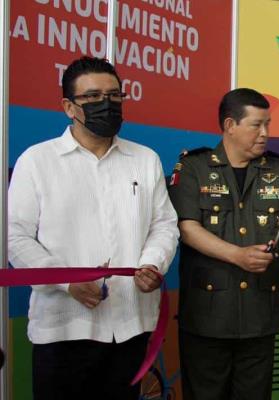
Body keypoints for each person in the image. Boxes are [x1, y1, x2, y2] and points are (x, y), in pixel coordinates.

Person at [7, 56, 179, 399]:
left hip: (130, 326)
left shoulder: (145, 160)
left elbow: (164, 224)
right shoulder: (37, 161)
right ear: (69, 107)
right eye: (94, 97)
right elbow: (15, 236)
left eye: (115, 96)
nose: (108, 104)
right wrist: (66, 281)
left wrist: (152, 264)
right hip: (64, 329)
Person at [168, 88, 279, 400]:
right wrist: (237, 255)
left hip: (260, 313)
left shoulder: (278, 169)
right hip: (207, 315)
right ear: (229, 125)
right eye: (256, 125)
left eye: (268, 124)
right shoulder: (194, 167)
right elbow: (186, 227)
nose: (265, 133)